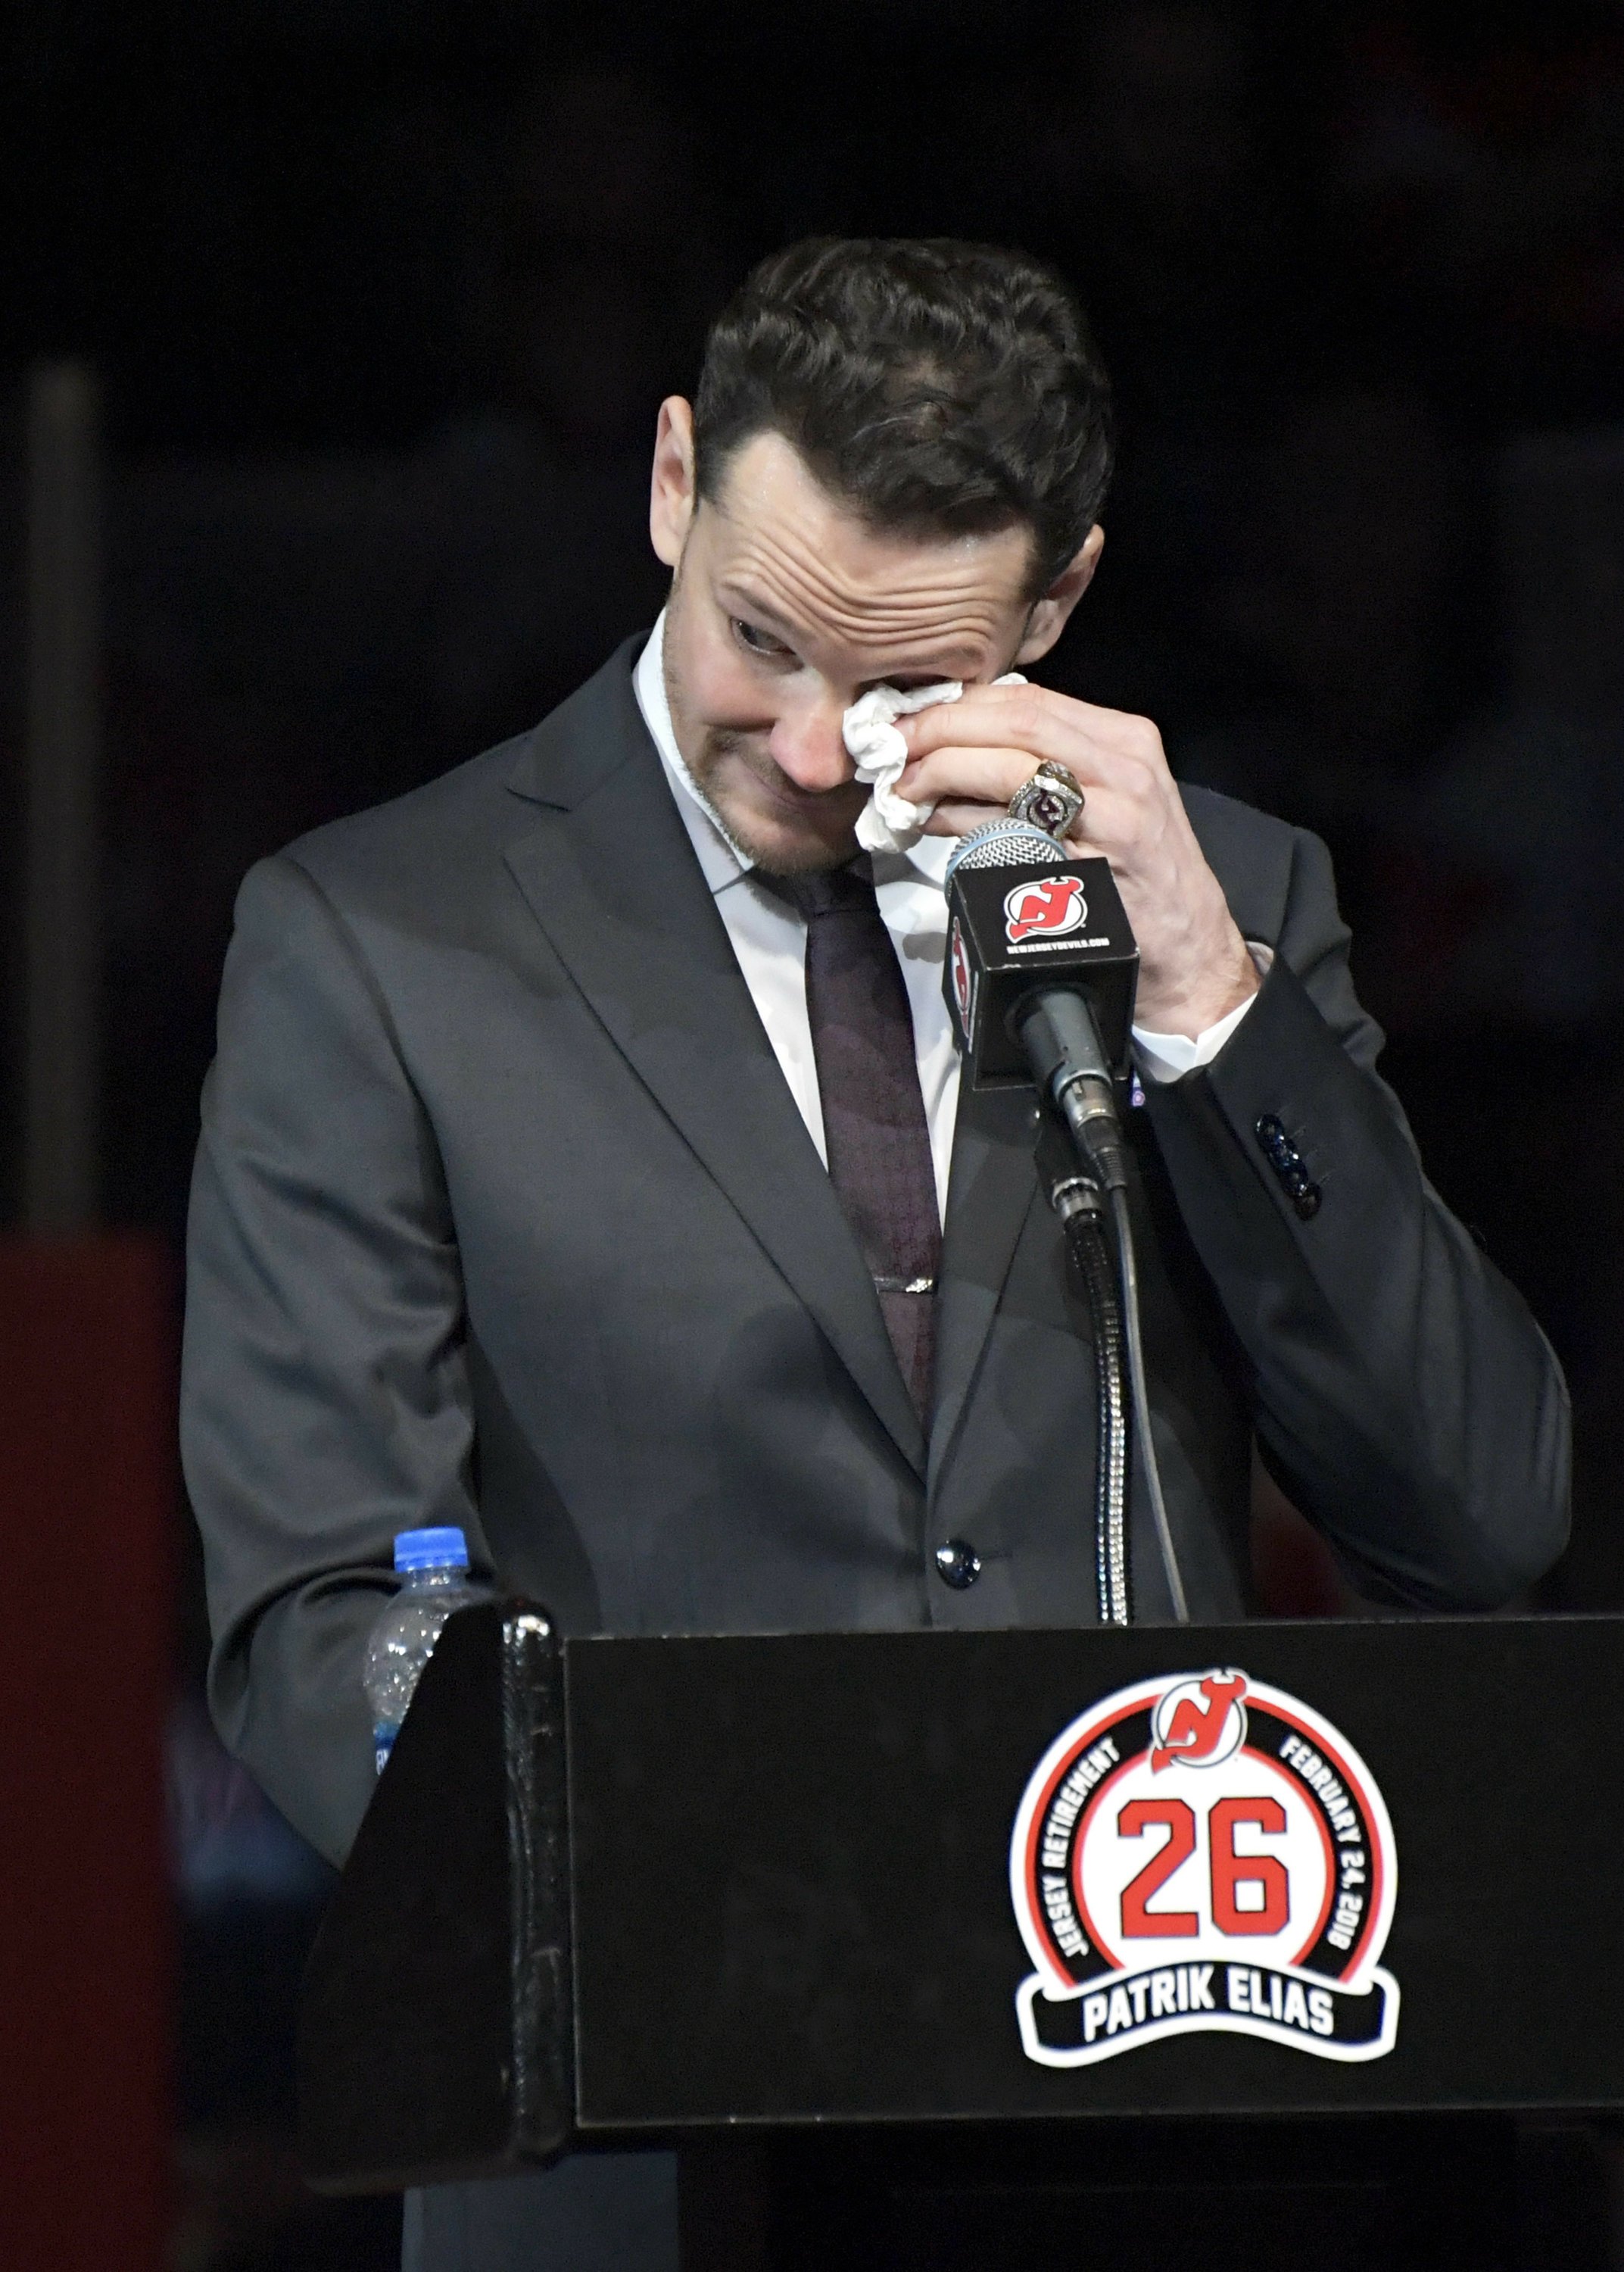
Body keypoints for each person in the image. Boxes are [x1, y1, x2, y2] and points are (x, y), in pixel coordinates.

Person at [181, 238, 1569, 2272]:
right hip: (628, 2145)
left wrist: (1202, 993)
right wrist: (661, 1895)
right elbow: (316, 1606)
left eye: (912, 675)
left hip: (1157, 2117)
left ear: (1063, 599)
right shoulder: (378, 941)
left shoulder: (1223, 902)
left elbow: (1475, 1515)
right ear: (672, 480)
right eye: (765, 637)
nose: (820, 749)